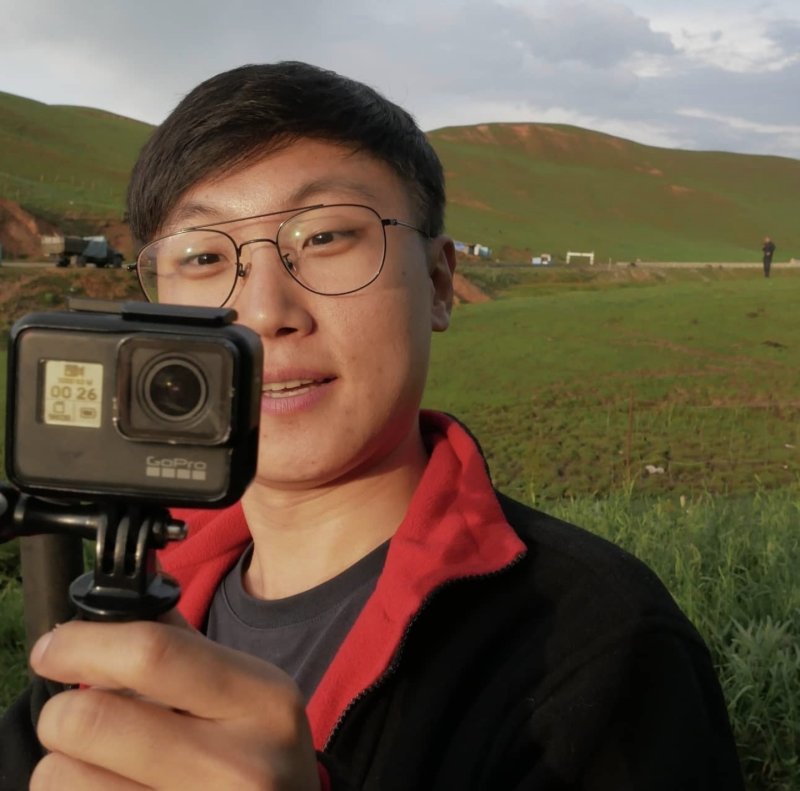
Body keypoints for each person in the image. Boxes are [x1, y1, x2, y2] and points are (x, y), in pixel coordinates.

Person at [1, 62, 744, 790]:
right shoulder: (125, 601)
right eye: (203, 255)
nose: (264, 313)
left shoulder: (601, 650)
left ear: (441, 284)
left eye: (324, 237)